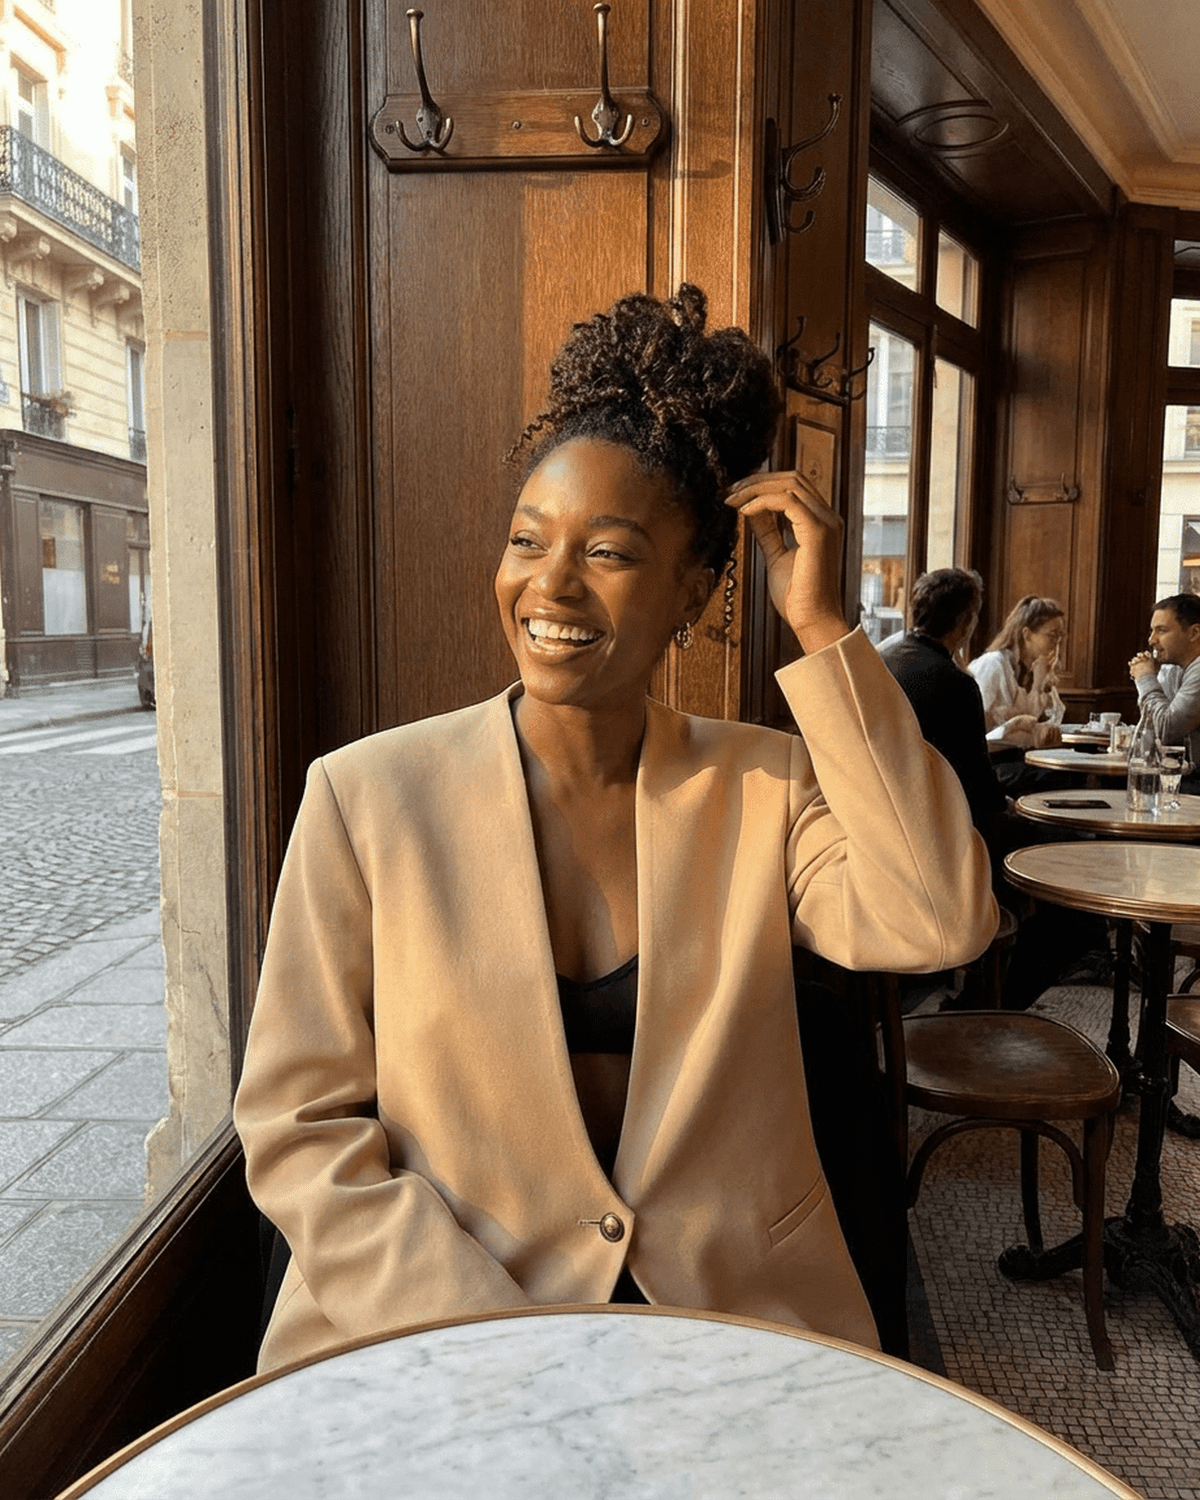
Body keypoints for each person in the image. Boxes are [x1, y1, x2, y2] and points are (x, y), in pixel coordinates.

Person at [233, 285, 997, 1376]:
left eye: (609, 552)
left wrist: (824, 627)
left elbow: (940, 919)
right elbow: (298, 1122)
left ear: (693, 592)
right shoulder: (365, 798)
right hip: (437, 1315)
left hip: (724, 1319)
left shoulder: (765, 784)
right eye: (526, 540)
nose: (549, 583)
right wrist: (494, 1338)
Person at [878, 568, 1005, 836]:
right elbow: (978, 782)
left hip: (881, 810)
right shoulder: (956, 683)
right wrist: (1009, 807)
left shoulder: (880, 662)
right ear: (967, 622)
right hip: (942, 823)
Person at [1128, 593, 1200, 790]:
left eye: (1161, 630)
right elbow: (1152, 726)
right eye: (1152, 631)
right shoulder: (1174, 668)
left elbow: (1165, 729)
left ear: (1194, 633)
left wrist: (1145, 678)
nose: (1151, 640)